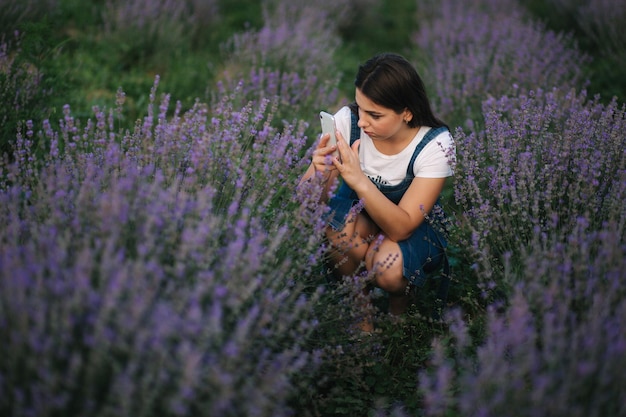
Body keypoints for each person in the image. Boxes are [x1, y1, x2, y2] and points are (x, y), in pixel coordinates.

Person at [299, 53, 455, 332]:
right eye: (360, 109)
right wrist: (318, 172)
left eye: (375, 115)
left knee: (387, 268)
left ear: (406, 112)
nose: (362, 123)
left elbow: (402, 227)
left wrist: (359, 180)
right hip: (361, 216)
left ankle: (400, 315)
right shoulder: (348, 122)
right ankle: (362, 311)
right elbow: (306, 204)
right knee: (336, 228)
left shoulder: (435, 144)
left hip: (412, 226)